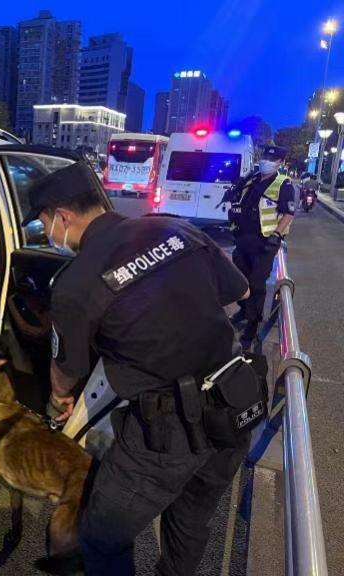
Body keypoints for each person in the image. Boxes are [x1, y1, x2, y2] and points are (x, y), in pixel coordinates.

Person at [21, 161, 251, 576]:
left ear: (63, 217)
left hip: (166, 431)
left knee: (101, 535)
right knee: (190, 520)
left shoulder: (75, 283)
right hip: (235, 403)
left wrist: (59, 398)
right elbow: (241, 291)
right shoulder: (175, 228)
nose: (47, 234)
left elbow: (66, 371)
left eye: (43, 224)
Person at [228, 146, 296, 348]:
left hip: (265, 242)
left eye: (273, 159)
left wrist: (276, 235)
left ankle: (252, 324)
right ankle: (243, 310)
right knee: (240, 280)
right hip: (243, 239)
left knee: (256, 284)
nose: (267, 161)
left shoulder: (283, 184)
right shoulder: (252, 179)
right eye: (265, 157)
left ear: (281, 163)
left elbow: (288, 214)